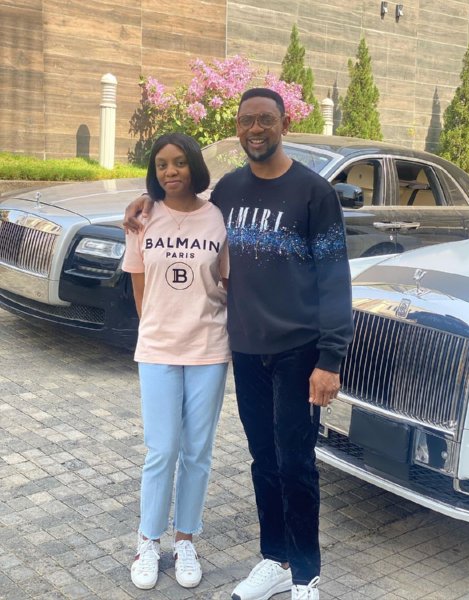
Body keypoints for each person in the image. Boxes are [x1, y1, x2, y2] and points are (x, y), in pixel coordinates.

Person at [123, 89, 353, 600]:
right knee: (263, 461)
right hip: (246, 350)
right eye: (246, 120)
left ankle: (305, 576)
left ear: (283, 124)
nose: (255, 129)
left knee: (296, 463)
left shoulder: (315, 192)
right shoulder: (229, 189)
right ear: (238, 127)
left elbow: (336, 278)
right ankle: (273, 560)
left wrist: (330, 357)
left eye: (265, 120)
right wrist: (146, 201)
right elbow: (188, 210)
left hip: (299, 351)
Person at [122, 132, 230, 591]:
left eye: (180, 163)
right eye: (162, 164)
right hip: (159, 350)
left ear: (195, 167)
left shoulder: (217, 218)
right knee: (161, 450)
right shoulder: (144, 217)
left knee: (197, 453)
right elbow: (140, 283)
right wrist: (156, 327)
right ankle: (148, 540)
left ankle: (185, 539)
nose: (171, 171)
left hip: (209, 348)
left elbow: (226, 282)